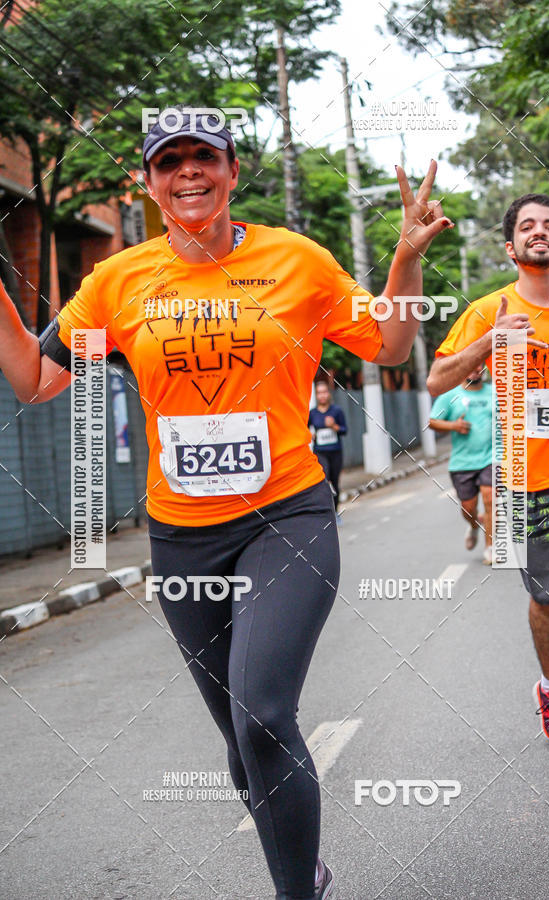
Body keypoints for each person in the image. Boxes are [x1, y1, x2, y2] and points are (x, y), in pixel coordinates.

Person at [0, 108, 451, 899]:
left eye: (203, 156)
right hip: (182, 539)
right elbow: (37, 381)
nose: (188, 172)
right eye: (168, 160)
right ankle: (303, 862)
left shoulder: (295, 260)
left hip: (288, 516)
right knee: (245, 743)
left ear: (232, 171)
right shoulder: (117, 282)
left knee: (265, 712)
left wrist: (405, 259)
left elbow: (387, 344)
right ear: (148, 182)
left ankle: (296, 891)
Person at [428, 193, 549, 748]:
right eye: (527, 226)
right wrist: (490, 342)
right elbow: (436, 382)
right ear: (510, 246)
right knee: (548, 598)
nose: (539, 232)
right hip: (528, 478)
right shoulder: (487, 310)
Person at [428, 363, 493, 564]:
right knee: (468, 507)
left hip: (492, 457)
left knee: (490, 498)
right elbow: (433, 421)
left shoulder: (496, 393)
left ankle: (491, 548)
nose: (475, 369)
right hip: (462, 462)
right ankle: (474, 525)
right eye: (471, 365)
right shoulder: (451, 395)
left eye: (479, 365)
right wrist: (453, 426)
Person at [308, 381, 347, 523]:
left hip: (335, 451)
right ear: (316, 395)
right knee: (325, 481)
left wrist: (334, 426)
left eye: (324, 392)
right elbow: (305, 429)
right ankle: (325, 513)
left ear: (328, 394)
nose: (322, 395)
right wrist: (310, 435)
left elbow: (344, 430)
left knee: (335, 483)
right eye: (319, 393)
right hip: (320, 452)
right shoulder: (312, 413)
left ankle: (335, 511)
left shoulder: (336, 411)